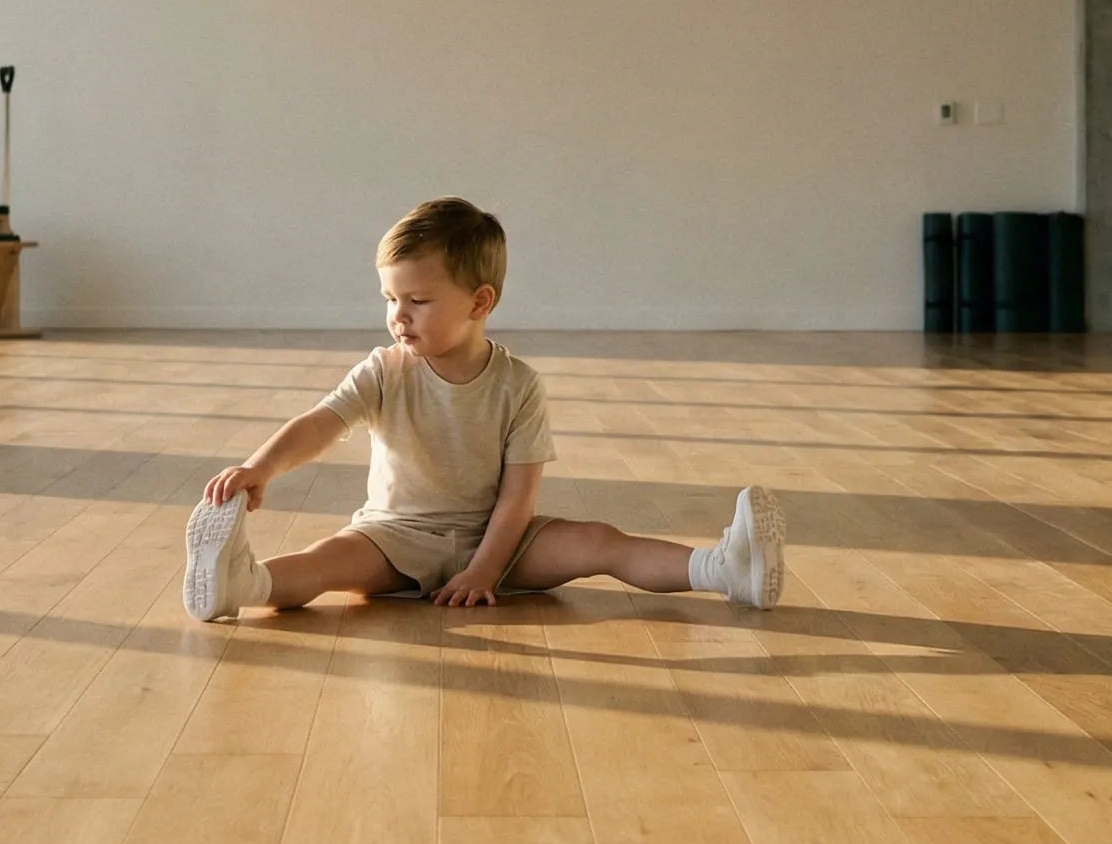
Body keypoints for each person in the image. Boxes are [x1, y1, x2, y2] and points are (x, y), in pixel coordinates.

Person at [182, 197, 785, 620]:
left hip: (500, 539)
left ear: (480, 301)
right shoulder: (383, 370)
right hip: (395, 533)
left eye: (417, 300)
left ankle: (724, 570)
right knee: (326, 562)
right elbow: (319, 425)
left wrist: (484, 571)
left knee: (601, 541)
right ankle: (242, 583)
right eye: (390, 298)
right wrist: (260, 468)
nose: (398, 315)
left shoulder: (518, 385)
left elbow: (517, 498)